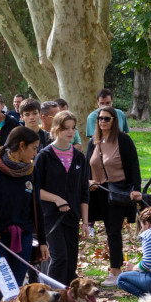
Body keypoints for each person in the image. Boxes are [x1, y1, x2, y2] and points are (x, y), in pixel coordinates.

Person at [0, 125, 46, 298]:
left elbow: (36, 206)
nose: (35, 153)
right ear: (22, 145)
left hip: (23, 236)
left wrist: (42, 241)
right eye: (34, 148)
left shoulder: (32, 171)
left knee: (16, 290)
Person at [86, 105, 142, 287]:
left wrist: (136, 189)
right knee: (108, 231)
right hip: (98, 193)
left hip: (118, 192)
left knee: (113, 231)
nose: (102, 122)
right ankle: (115, 268)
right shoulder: (93, 141)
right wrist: (88, 182)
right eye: (100, 119)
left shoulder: (123, 140)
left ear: (114, 121)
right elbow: (88, 167)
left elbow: (134, 166)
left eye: (106, 119)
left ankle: (116, 271)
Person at [36, 110, 90, 285]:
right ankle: (50, 298)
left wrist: (85, 223)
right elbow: (34, 190)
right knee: (59, 257)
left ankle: (65, 301)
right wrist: (56, 199)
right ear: (56, 129)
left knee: (70, 261)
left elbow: (84, 191)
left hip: (72, 217)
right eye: (66, 128)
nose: (70, 132)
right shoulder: (44, 156)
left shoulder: (79, 157)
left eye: (73, 128)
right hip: (50, 217)